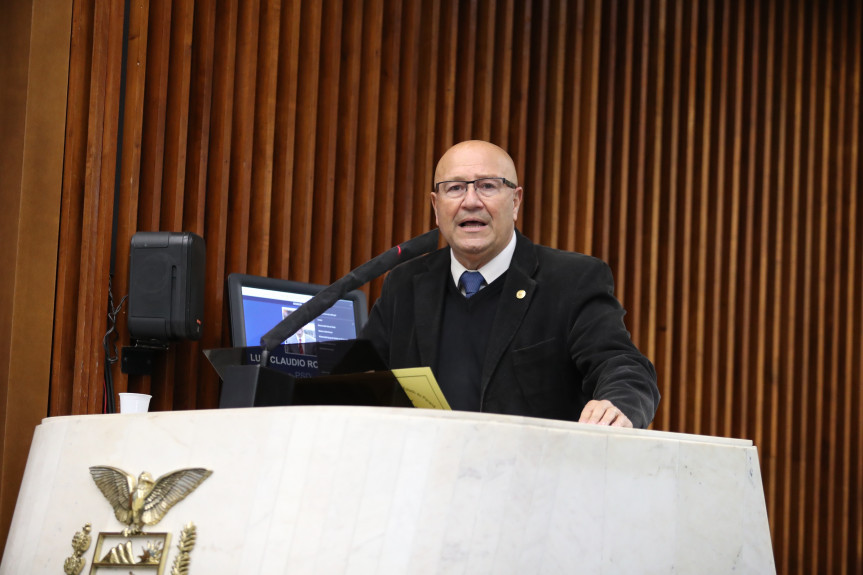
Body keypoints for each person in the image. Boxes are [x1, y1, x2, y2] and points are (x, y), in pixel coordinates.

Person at [361, 140, 659, 428]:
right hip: (424, 470)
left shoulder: (571, 281)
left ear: (515, 201)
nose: (471, 201)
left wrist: (618, 404)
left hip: (531, 472)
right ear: (436, 206)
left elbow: (622, 365)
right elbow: (358, 375)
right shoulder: (405, 284)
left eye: (487, 186)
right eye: (455, 188)